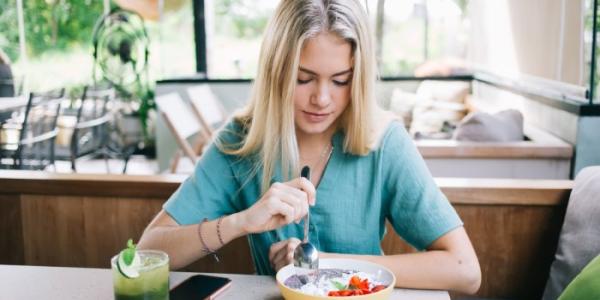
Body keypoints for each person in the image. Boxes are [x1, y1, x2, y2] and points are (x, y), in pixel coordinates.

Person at [138, 0, 481, 293]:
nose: (321, 99)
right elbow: (147, 253)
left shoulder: (384, 140)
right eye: (303, 78)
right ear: (277, 71)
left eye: (340, 81)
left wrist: (325, 263)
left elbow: (465, 270)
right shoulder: (242, 141)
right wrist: (240, 222)